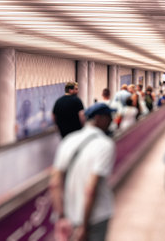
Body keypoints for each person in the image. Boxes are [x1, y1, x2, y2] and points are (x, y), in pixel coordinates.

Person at [49, 102, 116, 241]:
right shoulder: (105, 144)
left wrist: (61, 217)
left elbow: (54, 183)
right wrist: (84, 226)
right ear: (99, 118)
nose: (112, 120)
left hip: (70, 216)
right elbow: (91, 188)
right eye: (109, 116)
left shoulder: (68, 141)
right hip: (96, 218)